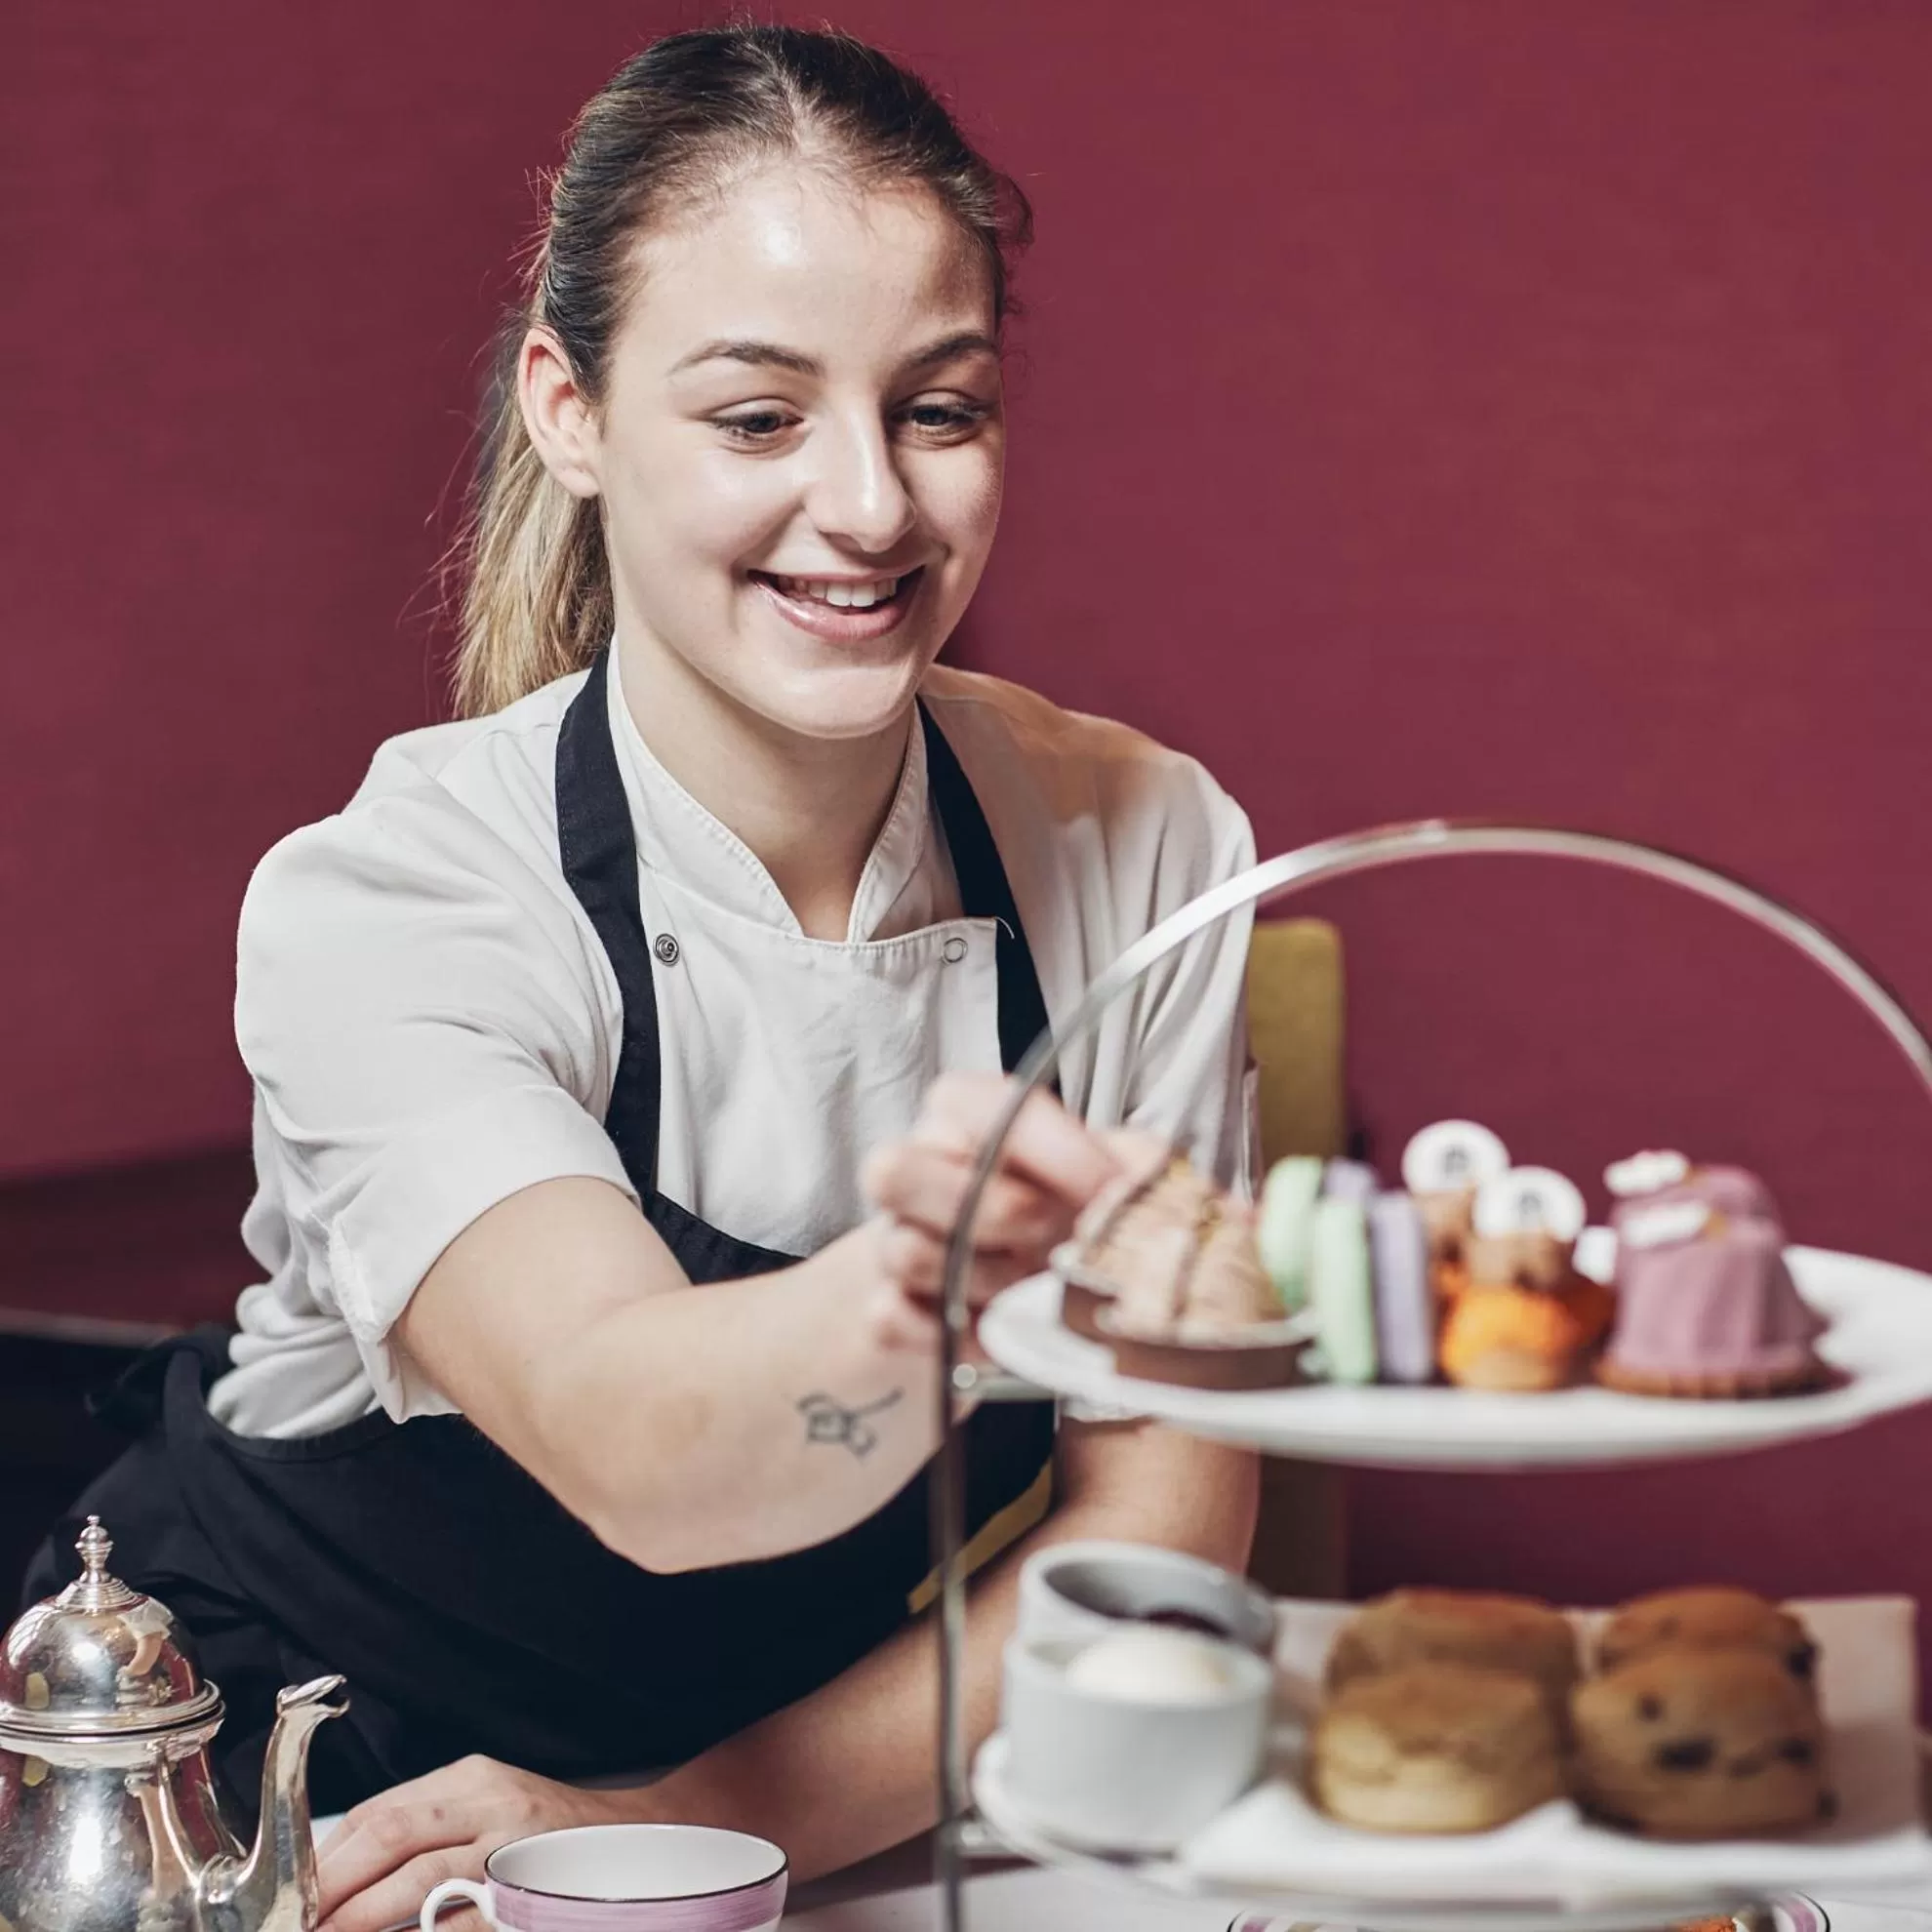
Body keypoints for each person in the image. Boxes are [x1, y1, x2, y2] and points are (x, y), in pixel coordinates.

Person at [27, 25, 1262, 1932]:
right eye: (759, 418)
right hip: (301, 1816)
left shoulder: (1144, 843)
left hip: (759, 1831)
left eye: (938, 408)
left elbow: (1158, 1530)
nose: (868, 508)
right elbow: (646, 1453)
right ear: (571, 408)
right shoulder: (401, 895)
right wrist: (947, 1278)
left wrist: (666, 1827)